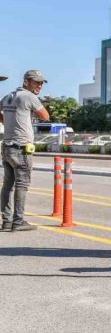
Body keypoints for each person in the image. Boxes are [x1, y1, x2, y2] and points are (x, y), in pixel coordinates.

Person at [1, 70, 50, 231]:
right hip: (21, 148)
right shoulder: (29, 96)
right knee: (22, 185)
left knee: (7, 185)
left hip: (7, 147)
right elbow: (45, 116)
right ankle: (18, 221)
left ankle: (6, 221)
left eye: (41, 83)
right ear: (26, 82)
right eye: (36, 82)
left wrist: (8, 120)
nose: (39, 86)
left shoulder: (8, 96)